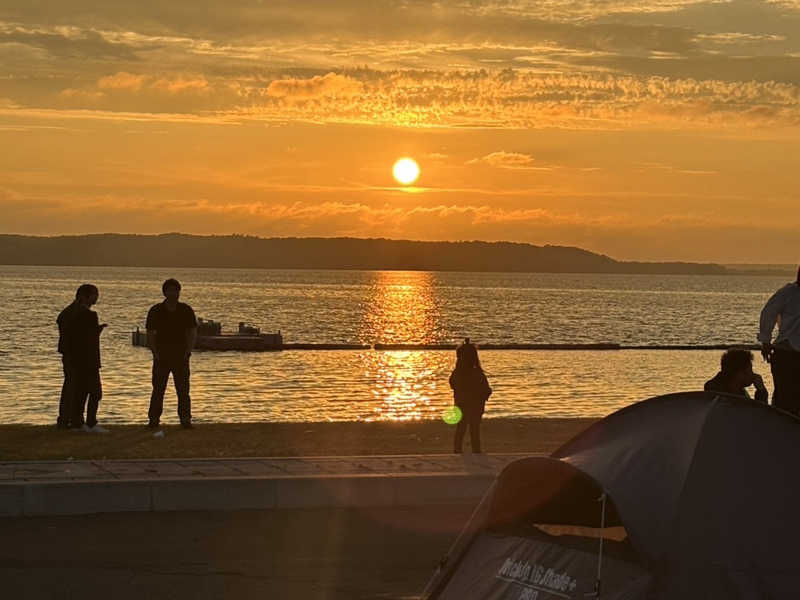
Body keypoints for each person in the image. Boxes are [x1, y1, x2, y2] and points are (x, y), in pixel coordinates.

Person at [146, 278, 197, 429]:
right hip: (161, 355)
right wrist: (154, 352)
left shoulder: (185, 310)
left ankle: (185, 419)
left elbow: (192, 331)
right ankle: (154, 419)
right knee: (158, 389)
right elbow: (150, 332)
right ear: (165, 292)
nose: (173, 293)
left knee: (183, 390)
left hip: (181, 355)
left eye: (176, 290)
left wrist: (188, 350)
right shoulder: (156, 310)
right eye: (170, 290)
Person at [758, 266, 800, 415]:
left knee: (784, 399)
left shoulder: (787, 292)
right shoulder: (788, 292)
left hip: (785, 352)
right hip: (787, 352)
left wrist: (765, 341)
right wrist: (765, 340)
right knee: (785, 399)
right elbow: (768, 313)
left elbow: (768, 313)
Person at [66, 284, 108, 431]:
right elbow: (89, 339)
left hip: (77, 358)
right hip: (89, 359)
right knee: (95, 392)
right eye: (94, 294)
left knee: (81, 392)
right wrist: (98, 331)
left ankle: (77, 422)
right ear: (85, 296)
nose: (96, 297)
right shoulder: (90, 315)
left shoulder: (72, 314)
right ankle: (91, 422)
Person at [449, 338, 492, 453]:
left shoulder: (457, 373)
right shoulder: (476, 373)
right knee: (474, 429)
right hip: (475, 405)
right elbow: (486, 390)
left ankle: (458, 451)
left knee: (461, 429)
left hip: (461, 403)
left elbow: (453, 385)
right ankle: (475, 451)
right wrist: (485, 394)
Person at [56, 288, 83, 428]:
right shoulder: (72, 312)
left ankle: (71, 418)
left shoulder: (72, 312)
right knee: (72, 386)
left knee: (74, 386)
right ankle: (67, 418)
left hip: (73, 353)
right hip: (72, 354)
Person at [704, 348, 768, 404]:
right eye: (750, 371)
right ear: (739, 373)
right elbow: (759, 412)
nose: (753, 375)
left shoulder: (738, 391)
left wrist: (761, 392)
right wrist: (761, 391)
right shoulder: (723, 396)